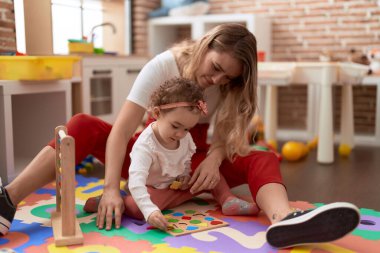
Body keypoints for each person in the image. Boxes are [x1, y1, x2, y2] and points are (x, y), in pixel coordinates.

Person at [0, 23, 360, 248]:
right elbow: (124, 129)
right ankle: (7, 199)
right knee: (80, 124)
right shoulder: (163, 65)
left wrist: (216, 158)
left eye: (227, 79)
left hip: (194, 165)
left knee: (263, 155)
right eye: (216, 68)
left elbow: (226, 138)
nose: (217, 81)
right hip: (151, 154)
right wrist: (110, 187)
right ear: (206, 46)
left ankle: (284, 222)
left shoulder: (228, 88)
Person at [84, 77, 258, 230]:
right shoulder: (145, 146)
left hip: (173, 185)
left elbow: (186, 160)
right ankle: (117, 201)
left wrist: (184, 176)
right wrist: (150, 212)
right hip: (148, 188)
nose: (181, 134)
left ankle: (227, 199)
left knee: (208, 171)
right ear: (157, 113)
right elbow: (137, 182)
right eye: (175, 126)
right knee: (138, 209)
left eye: (187, 128)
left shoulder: (184, 137)